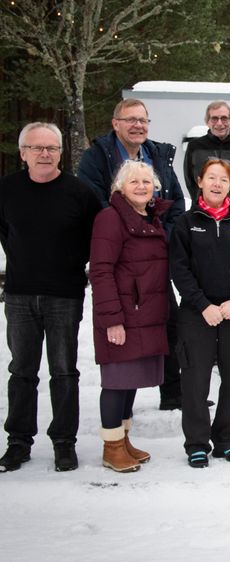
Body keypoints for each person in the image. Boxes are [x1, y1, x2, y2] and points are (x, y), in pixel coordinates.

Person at [0, 122, 102, 473]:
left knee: (64, 372)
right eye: (37, 147)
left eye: (52, 148)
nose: (45, 154)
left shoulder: (80, 193)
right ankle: (18, 442)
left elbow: (94, 240)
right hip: (19, 294)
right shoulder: (7, 189)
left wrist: (71, 264)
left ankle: (64, 443)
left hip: (64, 296)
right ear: (23, 152)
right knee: (22, 371)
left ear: (61, 152)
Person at [77, 97, 187, 412]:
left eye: (143, 120)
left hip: (155, 257)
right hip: (122, 257)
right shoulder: (97, 157)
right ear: (116, 124)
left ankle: (173, 392)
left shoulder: (158, 155)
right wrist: (133, 234)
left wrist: (157, 237)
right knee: (123, 337)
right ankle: (117, 425)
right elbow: (94, 203)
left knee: (168, 321)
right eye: (130, 119)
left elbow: (175, 203)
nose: (138, 125)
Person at [169, 159, 230, 468]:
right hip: (198, 314)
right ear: (200, 181)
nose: (217, 184)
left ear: (229, 185)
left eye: (223, 179)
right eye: (211, 178)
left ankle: (226, 440)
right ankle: (197, 442)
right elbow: (179, 269)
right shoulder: (186, 223)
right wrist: (203, 305)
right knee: (195, 381)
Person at [89, 161, 173, 473]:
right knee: (116, 381)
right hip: (122, 315)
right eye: (134, 181)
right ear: (120, 188)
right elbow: (101, 270)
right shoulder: (110, 218)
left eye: (146, 182)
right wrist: (112, 319)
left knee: (131, 381)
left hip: (144, 315)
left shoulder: (150, 218)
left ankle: (123, 440)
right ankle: (111, 447)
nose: (141, 186)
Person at [182, 100, 230, 200]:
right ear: (207, 122)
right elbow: (190, 181)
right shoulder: (195, 146)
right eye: (214, 119)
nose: (219, 123)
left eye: (224, 118)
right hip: (202, 209)